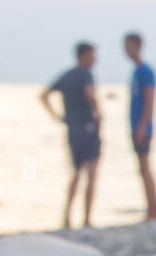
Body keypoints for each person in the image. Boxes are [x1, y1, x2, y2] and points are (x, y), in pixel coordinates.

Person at [40, 41, 101, 229]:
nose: (94, 59)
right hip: (88, 128)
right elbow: (90, 94)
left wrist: (58, 117)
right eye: (92, 55)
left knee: (75, 173)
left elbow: (43, 96)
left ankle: (67, 217)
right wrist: (99, 114)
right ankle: (87, 219)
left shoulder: (66, 76)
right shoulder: (85, 75)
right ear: (82, 56)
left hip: (73, 130)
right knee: (91, 173)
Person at [124, 32, 156, 221]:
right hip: (137, 126)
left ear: (138, 46)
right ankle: (151, 210)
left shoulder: (145, 71)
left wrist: (142, 126)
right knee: (142, 169)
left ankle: (154, 211)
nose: (126, 50)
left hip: (142, 128)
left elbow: (149, 99)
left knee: (145, 168)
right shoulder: (136, 71)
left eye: (129, 45)